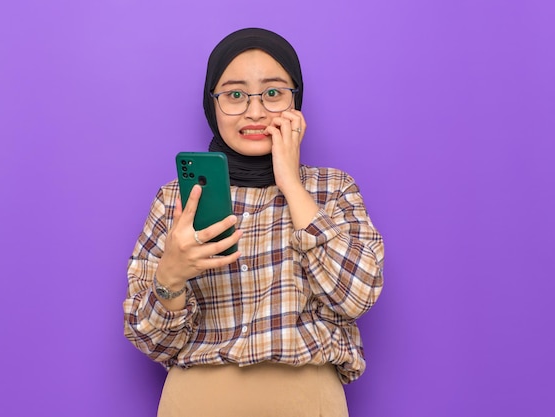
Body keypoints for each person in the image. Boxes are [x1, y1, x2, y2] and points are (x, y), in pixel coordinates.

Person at [123, 27, 384, 417]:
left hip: (307, 403)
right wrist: (171, 278)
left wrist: (291, 183)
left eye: (274, 93)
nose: (256, 111)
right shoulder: (176, 200)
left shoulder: (332, 189)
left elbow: (356, 296)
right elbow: (152, 341)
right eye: (235, 95)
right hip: (198, 402)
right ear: (212, 103)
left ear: (297, 101)